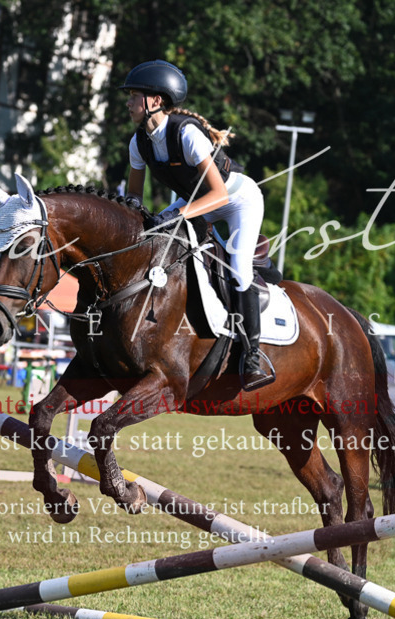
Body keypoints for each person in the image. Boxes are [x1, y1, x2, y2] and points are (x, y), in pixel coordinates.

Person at [120, 59, 273, 391]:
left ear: (155, 101)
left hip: (236, 200)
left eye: (134, 96)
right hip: (195, 201)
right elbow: (134, 197)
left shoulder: (186, 133)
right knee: (157, 239)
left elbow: (217, 193)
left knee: (238, 269)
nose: (128, 103)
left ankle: (253, 356)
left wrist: (178, 215)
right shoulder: (139, 142)